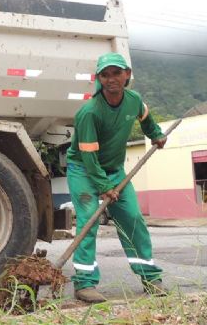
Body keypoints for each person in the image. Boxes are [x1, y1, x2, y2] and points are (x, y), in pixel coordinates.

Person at [66, 52, 167, 304]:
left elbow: (146, 119)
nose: (111, 79)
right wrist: (104, 187)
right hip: (84, 171)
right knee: (89, 220)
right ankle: (85, 284)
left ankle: (150, 277)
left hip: (114, 170)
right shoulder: (89, 112)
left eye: (116, 73)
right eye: (105, 75)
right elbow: (88, 158)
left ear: (127, 75)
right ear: (98, 78)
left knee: (132, 217)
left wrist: (156, 134)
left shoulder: (134, 100)